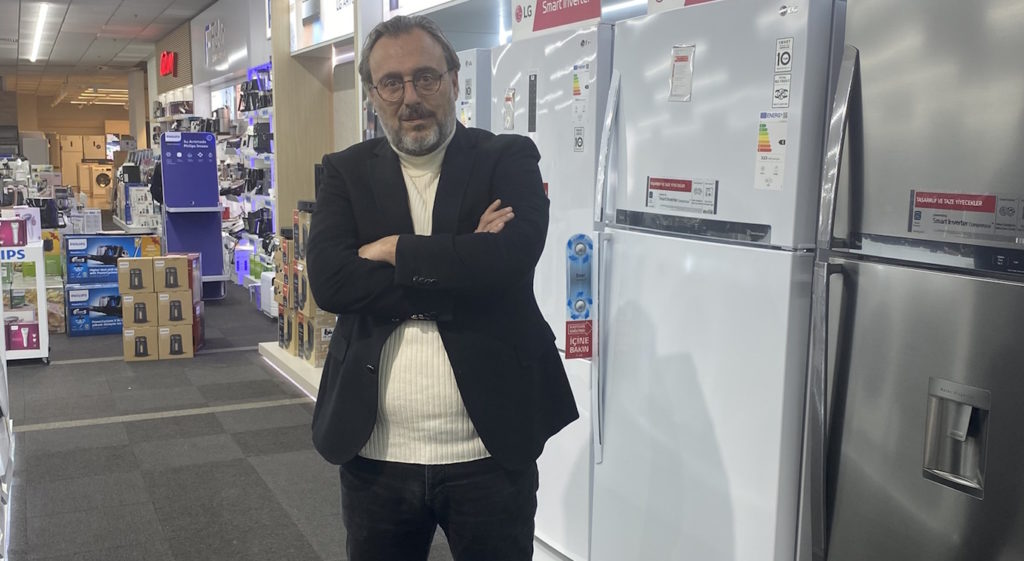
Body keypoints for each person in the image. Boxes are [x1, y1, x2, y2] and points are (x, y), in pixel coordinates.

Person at [306, 14, 578, 561]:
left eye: (425, 77)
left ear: (454, 80)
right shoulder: (345, 172)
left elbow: (511, 258)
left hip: (489, 448)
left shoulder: (507, 157)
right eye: (392, 83)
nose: (410, 97)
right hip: (376, 451)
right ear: (373, 95)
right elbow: (332, 282)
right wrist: (464, 256)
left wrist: (393, 250)